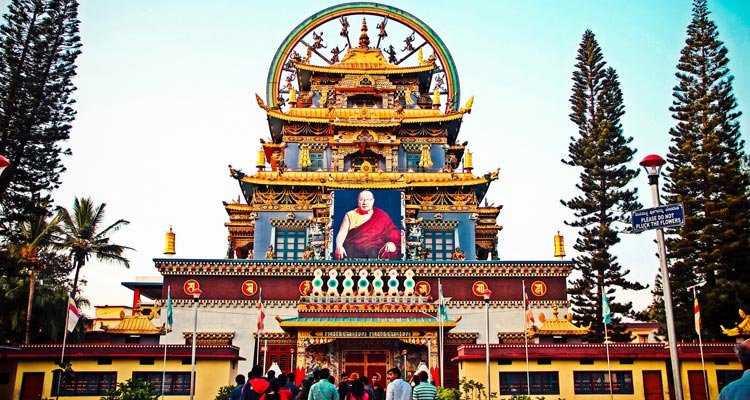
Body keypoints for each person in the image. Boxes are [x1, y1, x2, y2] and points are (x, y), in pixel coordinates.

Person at [334, 190, 401, 259]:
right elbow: (342, 233)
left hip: (375, 253)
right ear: (357, 201)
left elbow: (393, 232)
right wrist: (339, 246)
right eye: (361, 200)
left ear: (373, 201)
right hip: (353, 252)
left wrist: (392, 243)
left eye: (368, 200)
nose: (365, 203)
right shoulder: (350, 215)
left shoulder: (381, 215)